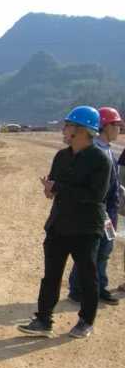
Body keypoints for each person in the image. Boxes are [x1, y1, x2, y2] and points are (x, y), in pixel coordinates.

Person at [18, 106, 110, 339]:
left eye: (68, 125)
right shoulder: (61, 156)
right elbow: (54, 190)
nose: (64, 129)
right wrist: (49, 190)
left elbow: (96, 195)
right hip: (59, 225)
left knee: (87, 276)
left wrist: (58, 188)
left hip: (86, 228)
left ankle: (86, 321)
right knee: (51, 276)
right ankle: (43, 320)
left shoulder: (99, 160)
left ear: (82, 130)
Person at [67, 106, 121, 306]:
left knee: (104, 250)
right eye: (116, 124)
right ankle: (77, 290)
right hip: (99, 210)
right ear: (105, 126)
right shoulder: (94, 151)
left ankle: (99, 287)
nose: (119, 128)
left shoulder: (107, 150)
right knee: (90, 252)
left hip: (109, 211)